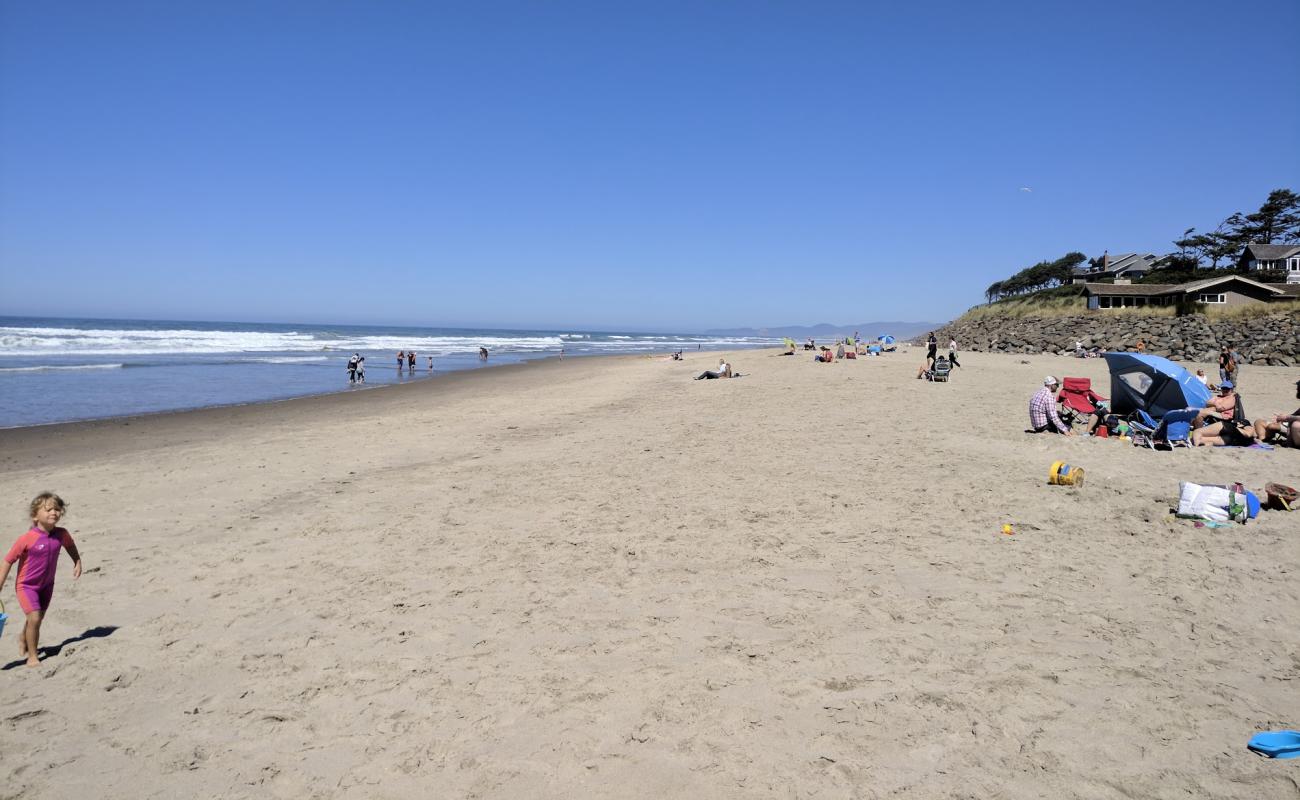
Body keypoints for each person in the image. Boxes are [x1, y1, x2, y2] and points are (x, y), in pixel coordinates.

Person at [1, 493, 83, 667]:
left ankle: (24, 635)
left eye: (57, 509)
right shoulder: (27, 538)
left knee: (37, 618)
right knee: (35, 618)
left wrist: (77, 561)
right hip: (26, 586)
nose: (54, 512)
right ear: (35, 516)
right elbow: (8, 560)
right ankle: (32, 656)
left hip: (47, 585)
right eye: (48, 509)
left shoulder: (61, 534)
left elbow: (70, 546)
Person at [1191, 380, 1254, 446]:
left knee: (1201, 414)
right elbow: (1207, 403)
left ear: (1231, 389)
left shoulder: (1233, 397)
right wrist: (1217, 405)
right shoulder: (1218, 396)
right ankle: (1200, 434)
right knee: (1194, 412)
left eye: (1227, 389)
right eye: (1223, 388)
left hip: (1224, 417)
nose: (1225, 390)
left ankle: (1199, 431)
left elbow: (1222, 407)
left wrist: (1214, 406)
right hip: (1216, 414)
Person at [1252, 378, 1300, 448]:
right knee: (1259, 422)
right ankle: (1263, 441)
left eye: (1298, 386)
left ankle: (1291, 445)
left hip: (1294, 427)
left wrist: (1286, 418)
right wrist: (1281, 418)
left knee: (1274, 426)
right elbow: (1294, 415)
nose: (1297, 389)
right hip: (1289, 424)